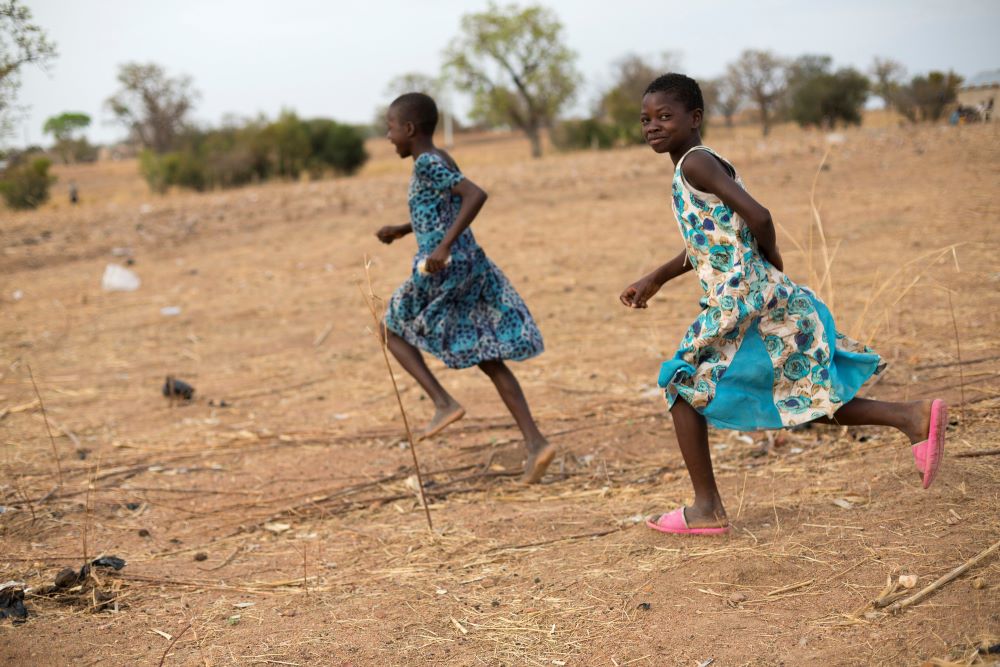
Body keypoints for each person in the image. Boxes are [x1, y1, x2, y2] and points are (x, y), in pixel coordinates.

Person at [619, 74, 947, 535]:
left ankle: (706, 508)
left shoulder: (695, 164)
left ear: (695, 118)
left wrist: (770, 259)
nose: (653, 126)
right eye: (646, 119)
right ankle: (909, 417)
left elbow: (759, 216)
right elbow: (712, 244)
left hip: (742, 301)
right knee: (799, 388)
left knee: (680, 383)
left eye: (665, 116)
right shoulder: (695, 167)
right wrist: (655, 277)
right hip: (757, 294)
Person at [375, 93, 554, 483]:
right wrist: (403, 230)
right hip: (468, 263)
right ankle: (537, 443)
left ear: (408, 129)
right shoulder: (440, 158)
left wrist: (442, 247)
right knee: (488, 355)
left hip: (446, 267)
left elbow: (475, 194)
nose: (387, 136)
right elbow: (443, 209)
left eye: (390, 128)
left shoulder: (426, 163)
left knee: (389, 329)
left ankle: (443, 402)